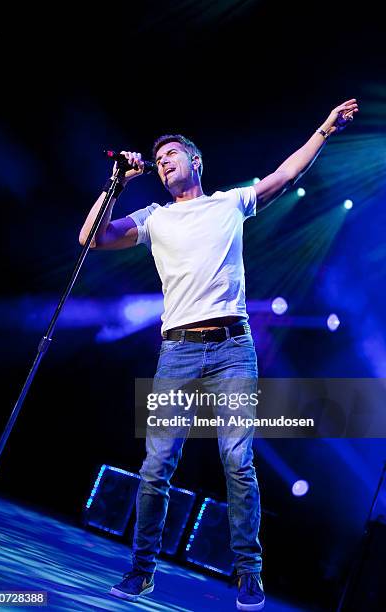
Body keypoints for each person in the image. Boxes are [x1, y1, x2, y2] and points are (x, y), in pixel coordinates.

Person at [79, 99, 358, 611]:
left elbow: (284, 173)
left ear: (195, 161)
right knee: (156, 464)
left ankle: (249, 575)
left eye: (171, 154)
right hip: (177, 353)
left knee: (238, 460)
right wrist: (116, 181)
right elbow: (91, 237)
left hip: (233, 349)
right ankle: (141, 571)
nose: (162, 162)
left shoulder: (229, 203)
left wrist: (324, 128)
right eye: (158, 158)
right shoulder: (154, 217)